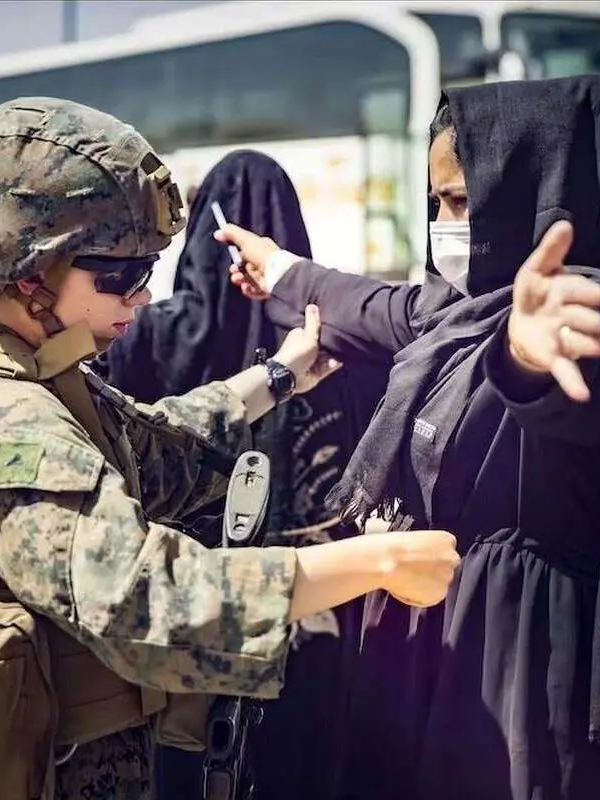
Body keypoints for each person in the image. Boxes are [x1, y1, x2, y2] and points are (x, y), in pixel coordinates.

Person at [0, 96, 460, 800]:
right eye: (119, 278)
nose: (140, 299)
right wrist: (374, 563)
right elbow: (142, 598)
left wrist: (279, 377)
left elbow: (152, 448)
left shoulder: (33, 372)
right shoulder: (5, 416)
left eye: (146, 274)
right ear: (31, 276)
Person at [218, 75, 600, 799]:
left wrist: (522, 357)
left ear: (536, 193)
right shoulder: (461, 312)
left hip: (519, 679)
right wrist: (280, 269)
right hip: (443, 654)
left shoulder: (597, 317)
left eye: (460, 202)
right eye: (436, 205)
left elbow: (561, 391)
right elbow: (377, 308)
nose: (445, 226)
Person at [99, 149, 389, 800]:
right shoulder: (328, 343)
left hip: (181, 613)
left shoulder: (147, 334)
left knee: (180, 764)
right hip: (308, 609)